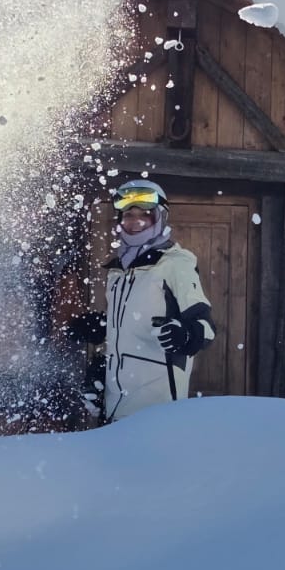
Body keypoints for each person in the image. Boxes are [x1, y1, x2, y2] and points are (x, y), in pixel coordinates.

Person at [66, 179, 214, 422]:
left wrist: (185, 335)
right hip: (116, 408)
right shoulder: (119, 271)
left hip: (158, 411)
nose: (135, 222)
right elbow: (130, 329)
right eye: (128, 215)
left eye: (145, 215)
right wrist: (103, 334)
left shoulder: (176, 264)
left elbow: (206, 328)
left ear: (160, 217)